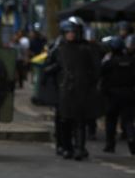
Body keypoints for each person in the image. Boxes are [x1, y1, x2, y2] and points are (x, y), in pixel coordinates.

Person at [44, 17, 100, 160]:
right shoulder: (58, 49)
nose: (71, 35)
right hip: (63, 90)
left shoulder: (85, 49)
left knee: (79, 120)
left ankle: (79, 148)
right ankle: (66, 147)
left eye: (73, 32)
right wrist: (55, 69)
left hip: (81, 89)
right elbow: (47, 68)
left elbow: (94, 69)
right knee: (64, 120)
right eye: (68, 32)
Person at [100, 36, 135, 155]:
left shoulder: (109, 62)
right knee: (128, 120)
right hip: (128, 93)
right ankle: (131, 140)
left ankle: (110, 144)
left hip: (112, 95)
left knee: (111, 120)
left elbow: (101, 74)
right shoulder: (131, 61)